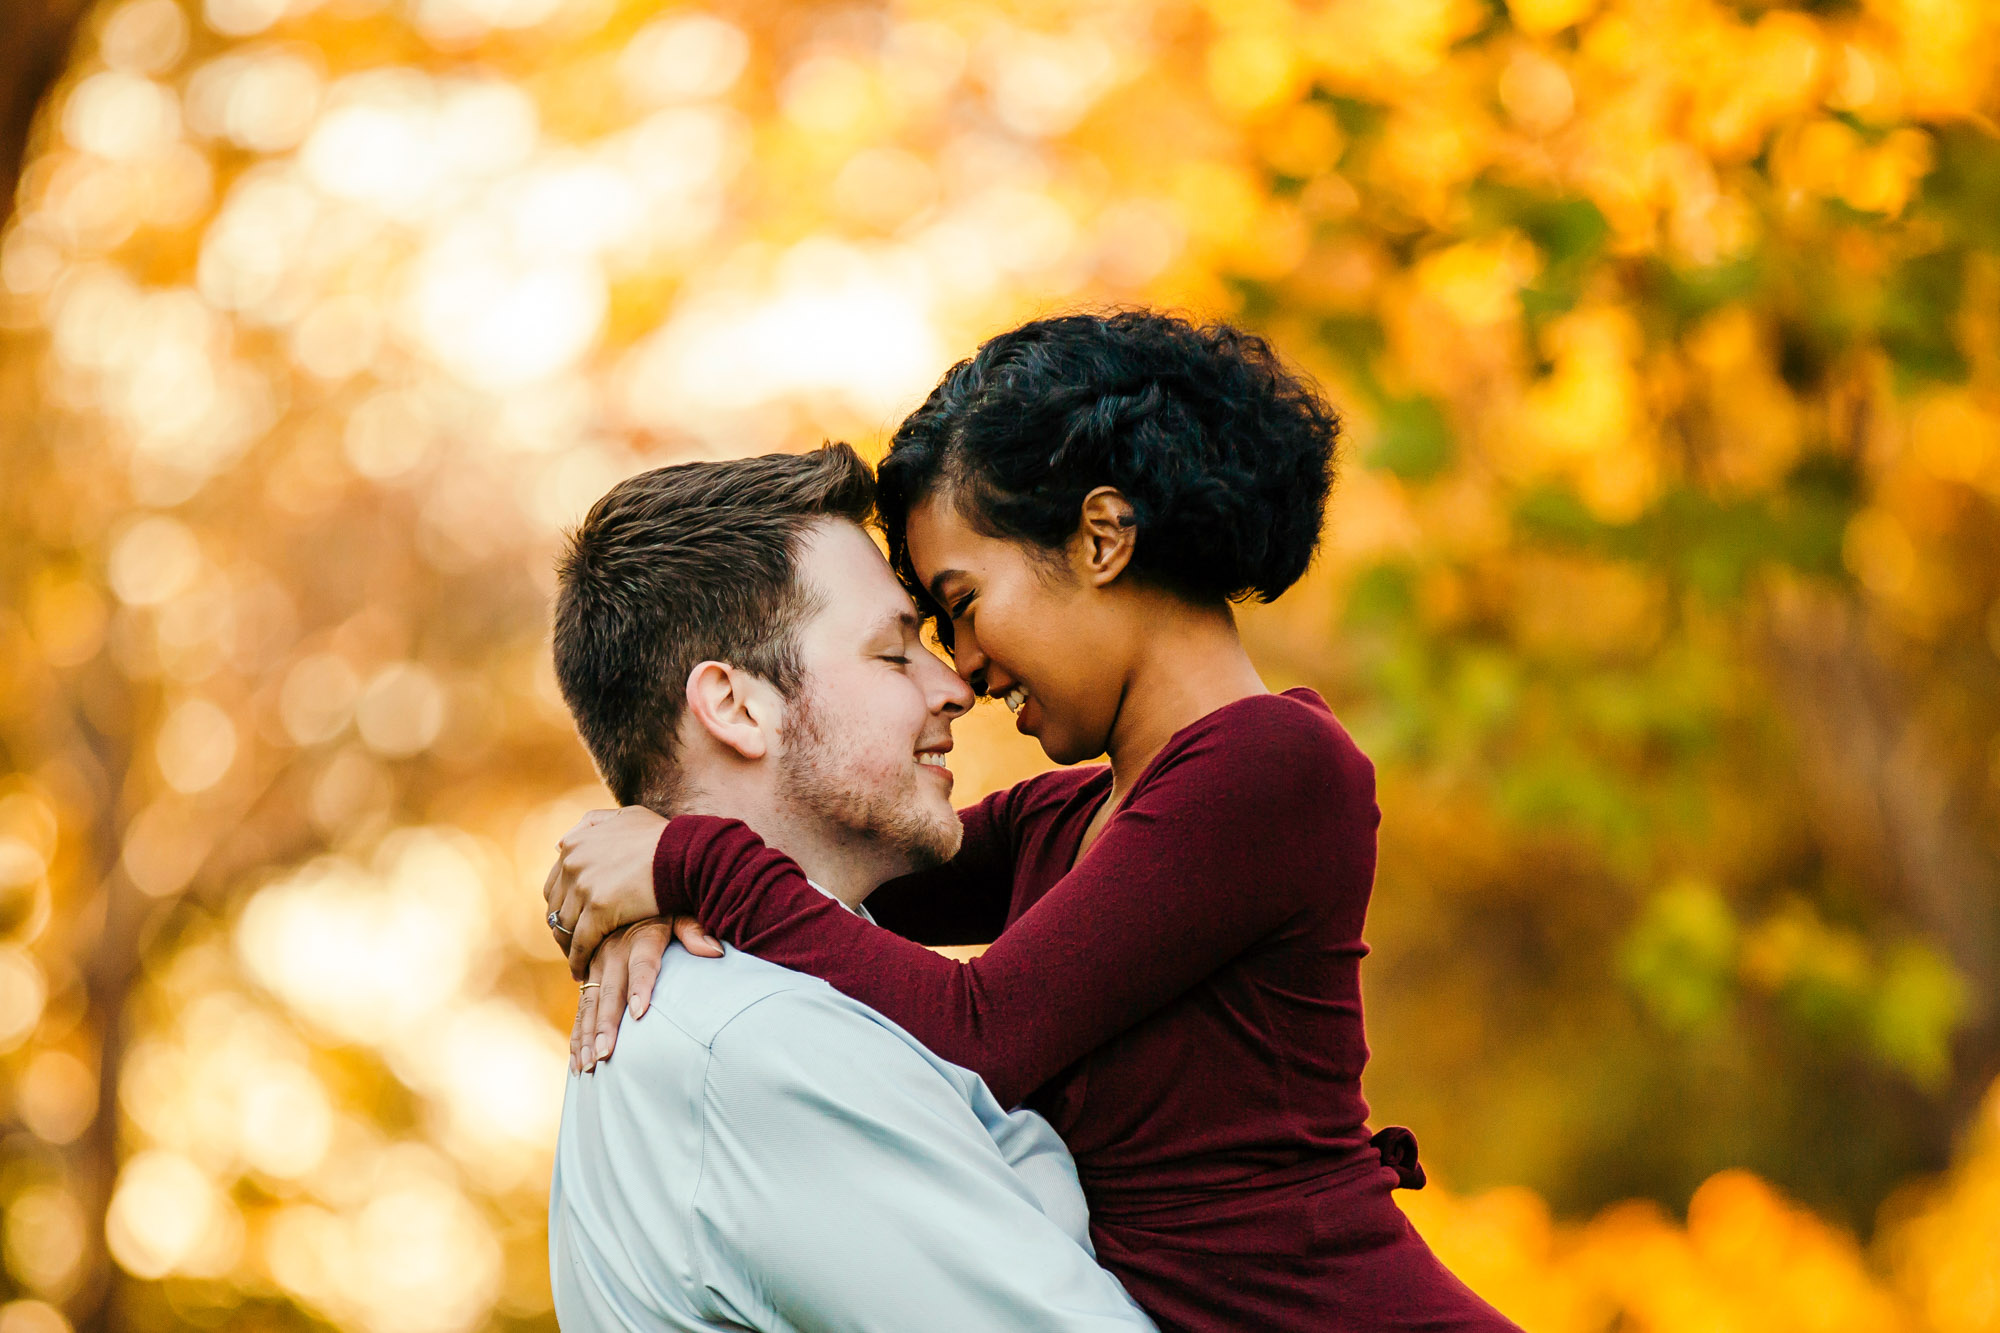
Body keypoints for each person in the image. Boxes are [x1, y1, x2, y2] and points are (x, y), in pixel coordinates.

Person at [547, 311, 1520, 1333]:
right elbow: (825, 864)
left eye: (960, 604)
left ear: (1102, 537)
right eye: (915, 637)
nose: (959, 668)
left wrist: (692, 860)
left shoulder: (1271, 767)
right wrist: (646, 872)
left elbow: (984, 1026)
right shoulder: (1070, 819)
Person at [544, 445, 1158, 1333]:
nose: (956, 685)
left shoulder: (762, 998)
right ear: (736, 707)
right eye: (892, 650)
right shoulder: (766, 1048)